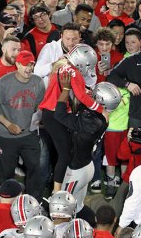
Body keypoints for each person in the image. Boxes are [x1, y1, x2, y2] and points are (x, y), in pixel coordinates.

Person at [39, 44, 104, 193]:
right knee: (65, 154)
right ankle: (56, 192)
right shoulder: (73, 72)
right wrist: (100, 109)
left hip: (52, 113)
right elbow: (81, 96)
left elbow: (79, 92)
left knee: (64, 151)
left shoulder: (63, 65)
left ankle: (58, 187)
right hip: (56, 114)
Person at [54, 76, 120, 213]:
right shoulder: (102, 116)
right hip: (86, 165)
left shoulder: (91, 121)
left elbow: (59, 115)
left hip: (76, 171)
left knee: (61, 208)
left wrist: (66, 89)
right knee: (77, 207)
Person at [0, 50, 45, 198]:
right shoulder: (3, 83)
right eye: (25, 65)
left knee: (35, 169)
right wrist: (8, 124)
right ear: (17, 64)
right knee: (5, 173)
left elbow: (39, 105)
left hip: (29, 134)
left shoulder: (38, 82)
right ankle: (3, 205)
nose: (29, 68)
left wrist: (38, 119)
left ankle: (33, 202)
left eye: (31, 65)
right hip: (5, 136)